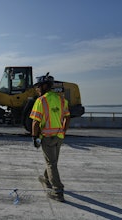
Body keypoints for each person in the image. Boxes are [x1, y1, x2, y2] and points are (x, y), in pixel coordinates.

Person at [29, 72, 70, 202]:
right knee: (52, 161)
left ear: (44, 86)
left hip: (47, 137)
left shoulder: (41, 100)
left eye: (38, 87)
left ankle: (58, 191)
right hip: (58, 136)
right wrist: (63, 131)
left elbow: (35, 122)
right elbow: (67, 117)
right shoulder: (61, 100)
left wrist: (34, 137)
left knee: (51, 163)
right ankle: (46, 179)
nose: (36, 89)